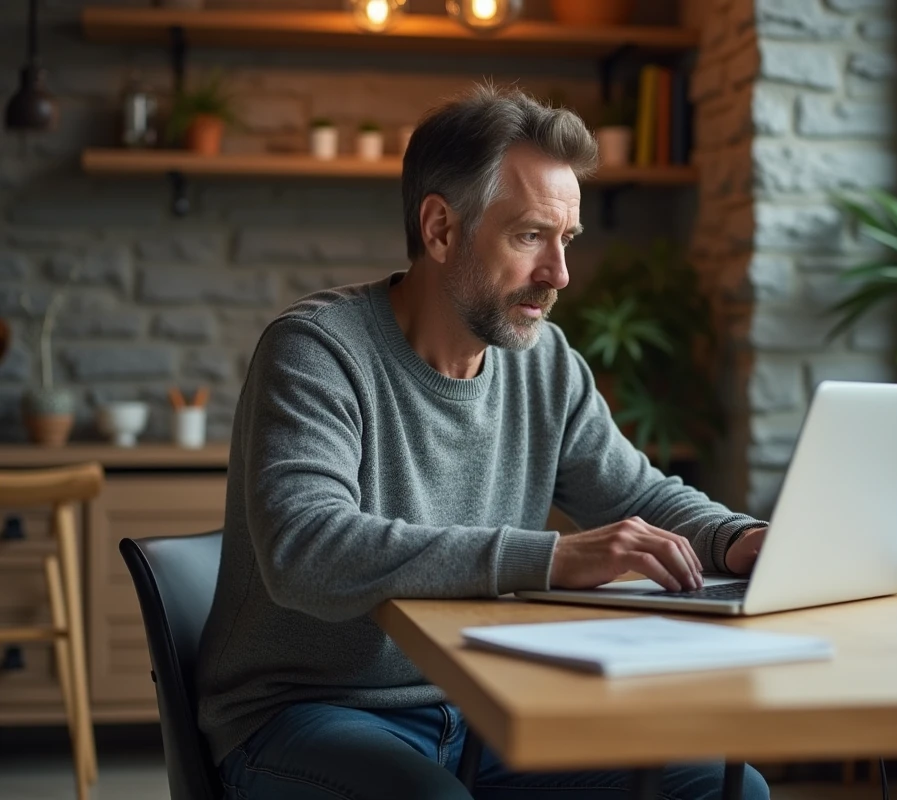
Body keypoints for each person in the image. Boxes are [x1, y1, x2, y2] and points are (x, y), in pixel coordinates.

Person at [197, 83, 771, 800]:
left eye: (566, 241)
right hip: (305, 713)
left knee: (728, 790)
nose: (559, 275)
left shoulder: (545, 360)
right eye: (531, 235)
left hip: (482, 707)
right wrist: (553, 558)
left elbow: (636, 493)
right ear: (440, 229)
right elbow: (306, 550)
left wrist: (739, 539)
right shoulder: (316, 350)